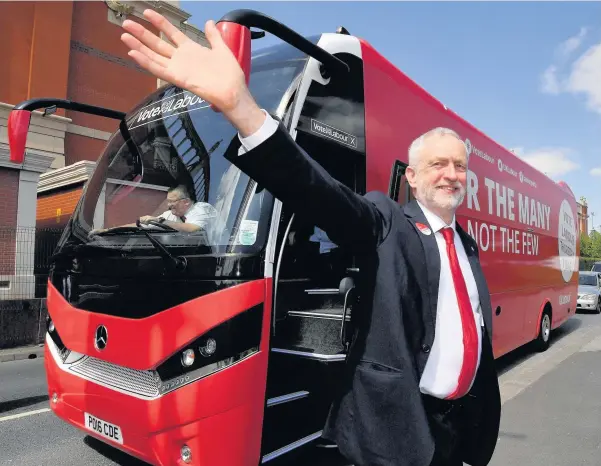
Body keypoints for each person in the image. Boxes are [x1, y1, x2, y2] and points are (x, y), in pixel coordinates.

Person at [120, 10, 501, 466]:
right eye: (439, 164)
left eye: (459, 166)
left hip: (461, 431)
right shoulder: (386, 220)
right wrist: (242, 109)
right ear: (413, 178)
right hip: (400, 428)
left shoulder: (467, 245)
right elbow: (320, 192)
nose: (451, 174)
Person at [90, 185, 216, 235]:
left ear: (186, 202)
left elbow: (192, 229)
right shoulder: (171, 215)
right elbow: (140, 225)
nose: (169, 205)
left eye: (172, 201)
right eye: (168, 201)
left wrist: (159, 221)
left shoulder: (202, 208)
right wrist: (107, 231)